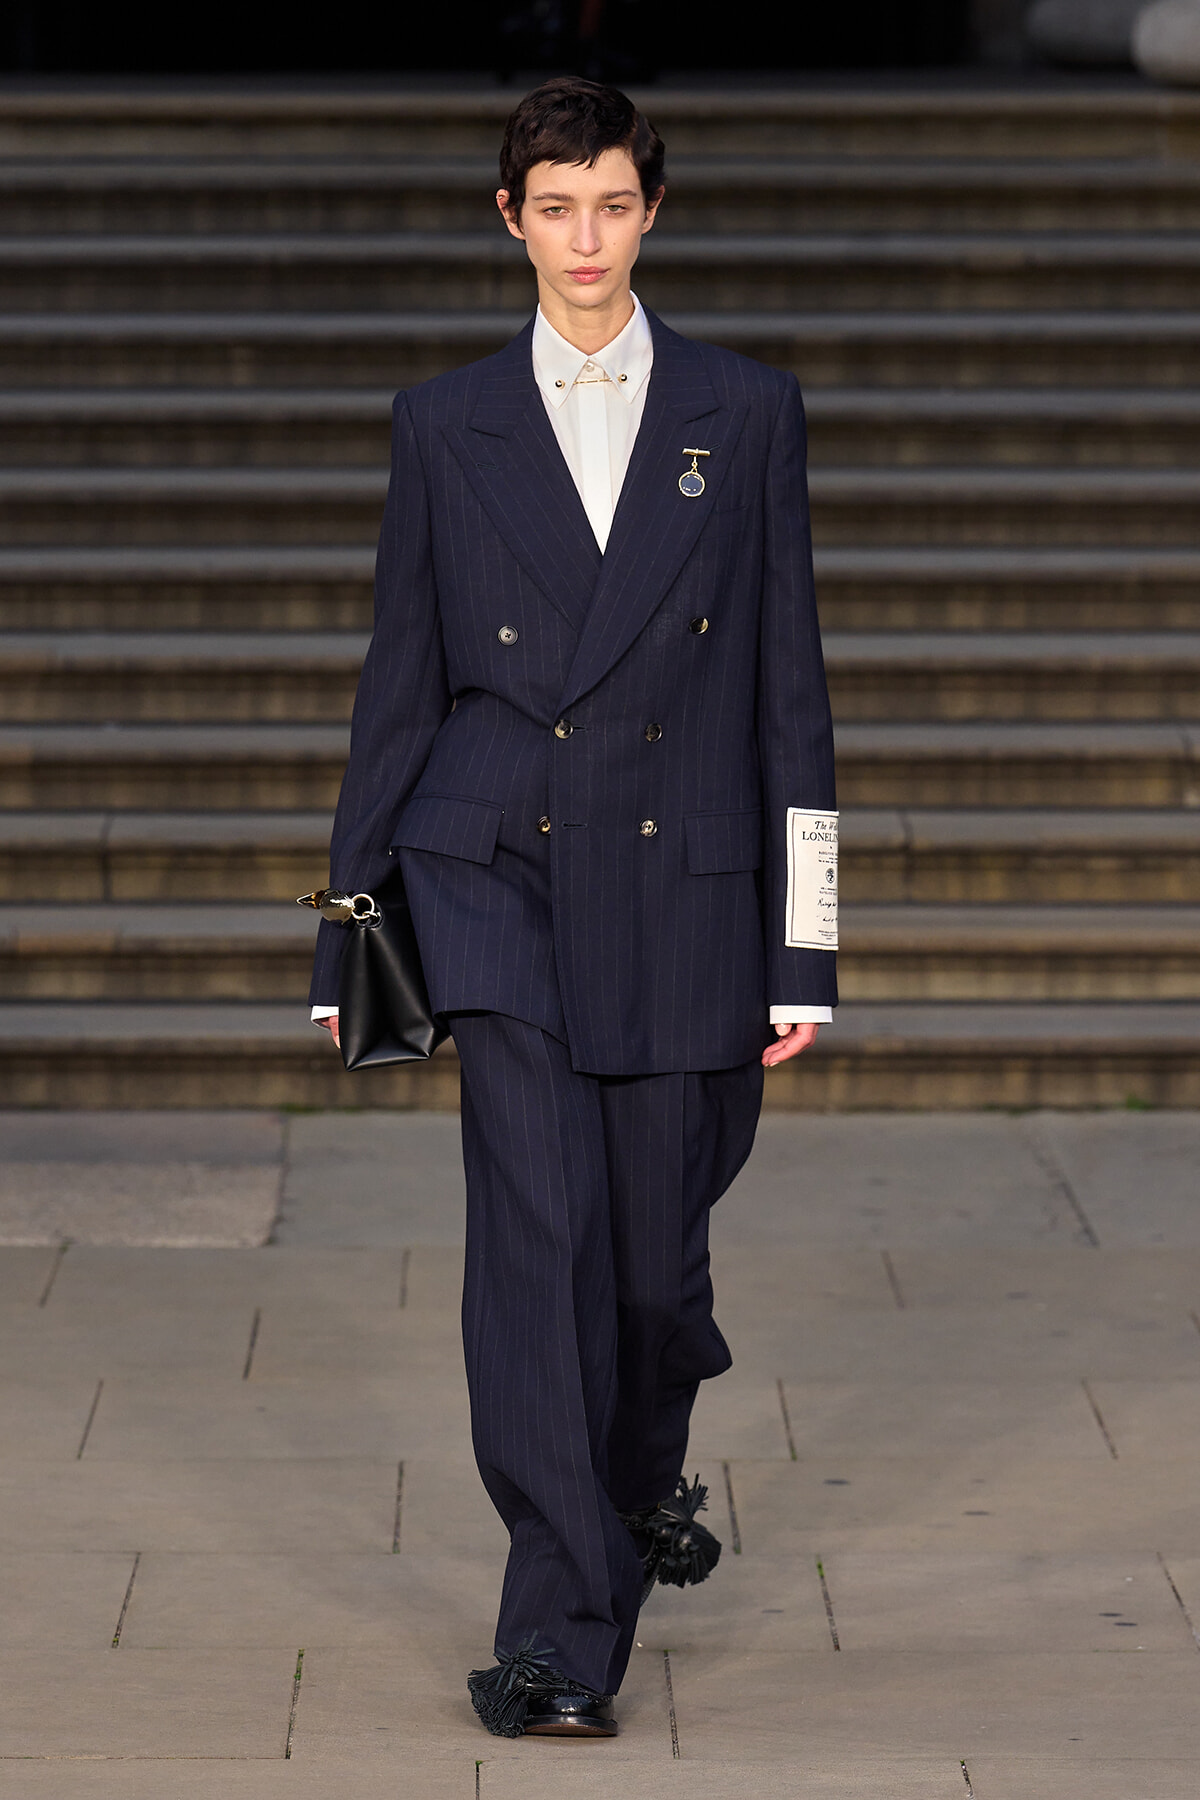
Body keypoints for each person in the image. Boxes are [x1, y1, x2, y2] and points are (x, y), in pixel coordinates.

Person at [308, 75, 837, 1739]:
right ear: (511, 220)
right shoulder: (443, 422)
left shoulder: (744, 413)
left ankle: (638, 1479)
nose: (586, 239)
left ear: (650, 212)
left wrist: (805, 937)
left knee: (650, 1283)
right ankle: (558, 1627)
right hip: (496, 872)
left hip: (685, 888)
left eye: (613, 203)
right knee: (537, 1254)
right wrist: (351, 923)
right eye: (556, 207)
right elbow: (400, 687)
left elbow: (789, 695)